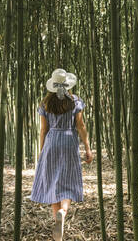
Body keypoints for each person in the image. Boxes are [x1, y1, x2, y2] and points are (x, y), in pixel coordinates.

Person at [30, 68, 93, 241]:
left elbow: (43, 130)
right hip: (68, 141)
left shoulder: (46, 104)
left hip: (51, 142)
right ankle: (62, 213)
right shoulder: (75, 101)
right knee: (68, 180)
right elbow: (81, 126)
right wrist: (87, 147)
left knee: (52, 181)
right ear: (68, 85)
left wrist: (42, 151)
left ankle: (56, 219)